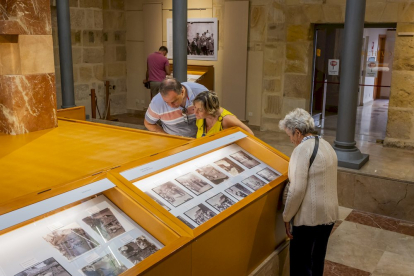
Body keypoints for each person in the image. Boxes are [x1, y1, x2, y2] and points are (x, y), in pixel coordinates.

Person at [279, 108, 338, 276]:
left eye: (289, 135)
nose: (290, 140)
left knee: (301, 265)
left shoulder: (301, 150)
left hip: (309, 219)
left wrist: (286, 216)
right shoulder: (326, 145)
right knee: (317, 261)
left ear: (298, 133)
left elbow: (296, 190)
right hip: (329, 215)